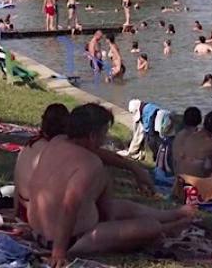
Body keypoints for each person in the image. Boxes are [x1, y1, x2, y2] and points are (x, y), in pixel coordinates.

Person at [28, 104, 195, 266]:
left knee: (125, 207)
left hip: (40, 232)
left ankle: (173, 214)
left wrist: (135, 169)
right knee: (149, 227)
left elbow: (102, 155)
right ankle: (169, 227)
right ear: (93, 136)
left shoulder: (58, 141)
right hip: (69, 241)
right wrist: (58, 252)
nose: (105, 139)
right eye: (104, 134)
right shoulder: (90, 164)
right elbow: (69, 206)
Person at [172, 107, 202, 174]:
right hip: (189, 175)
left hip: (177, 173)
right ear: (200, 120)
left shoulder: (179, 135)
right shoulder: (196, 137)